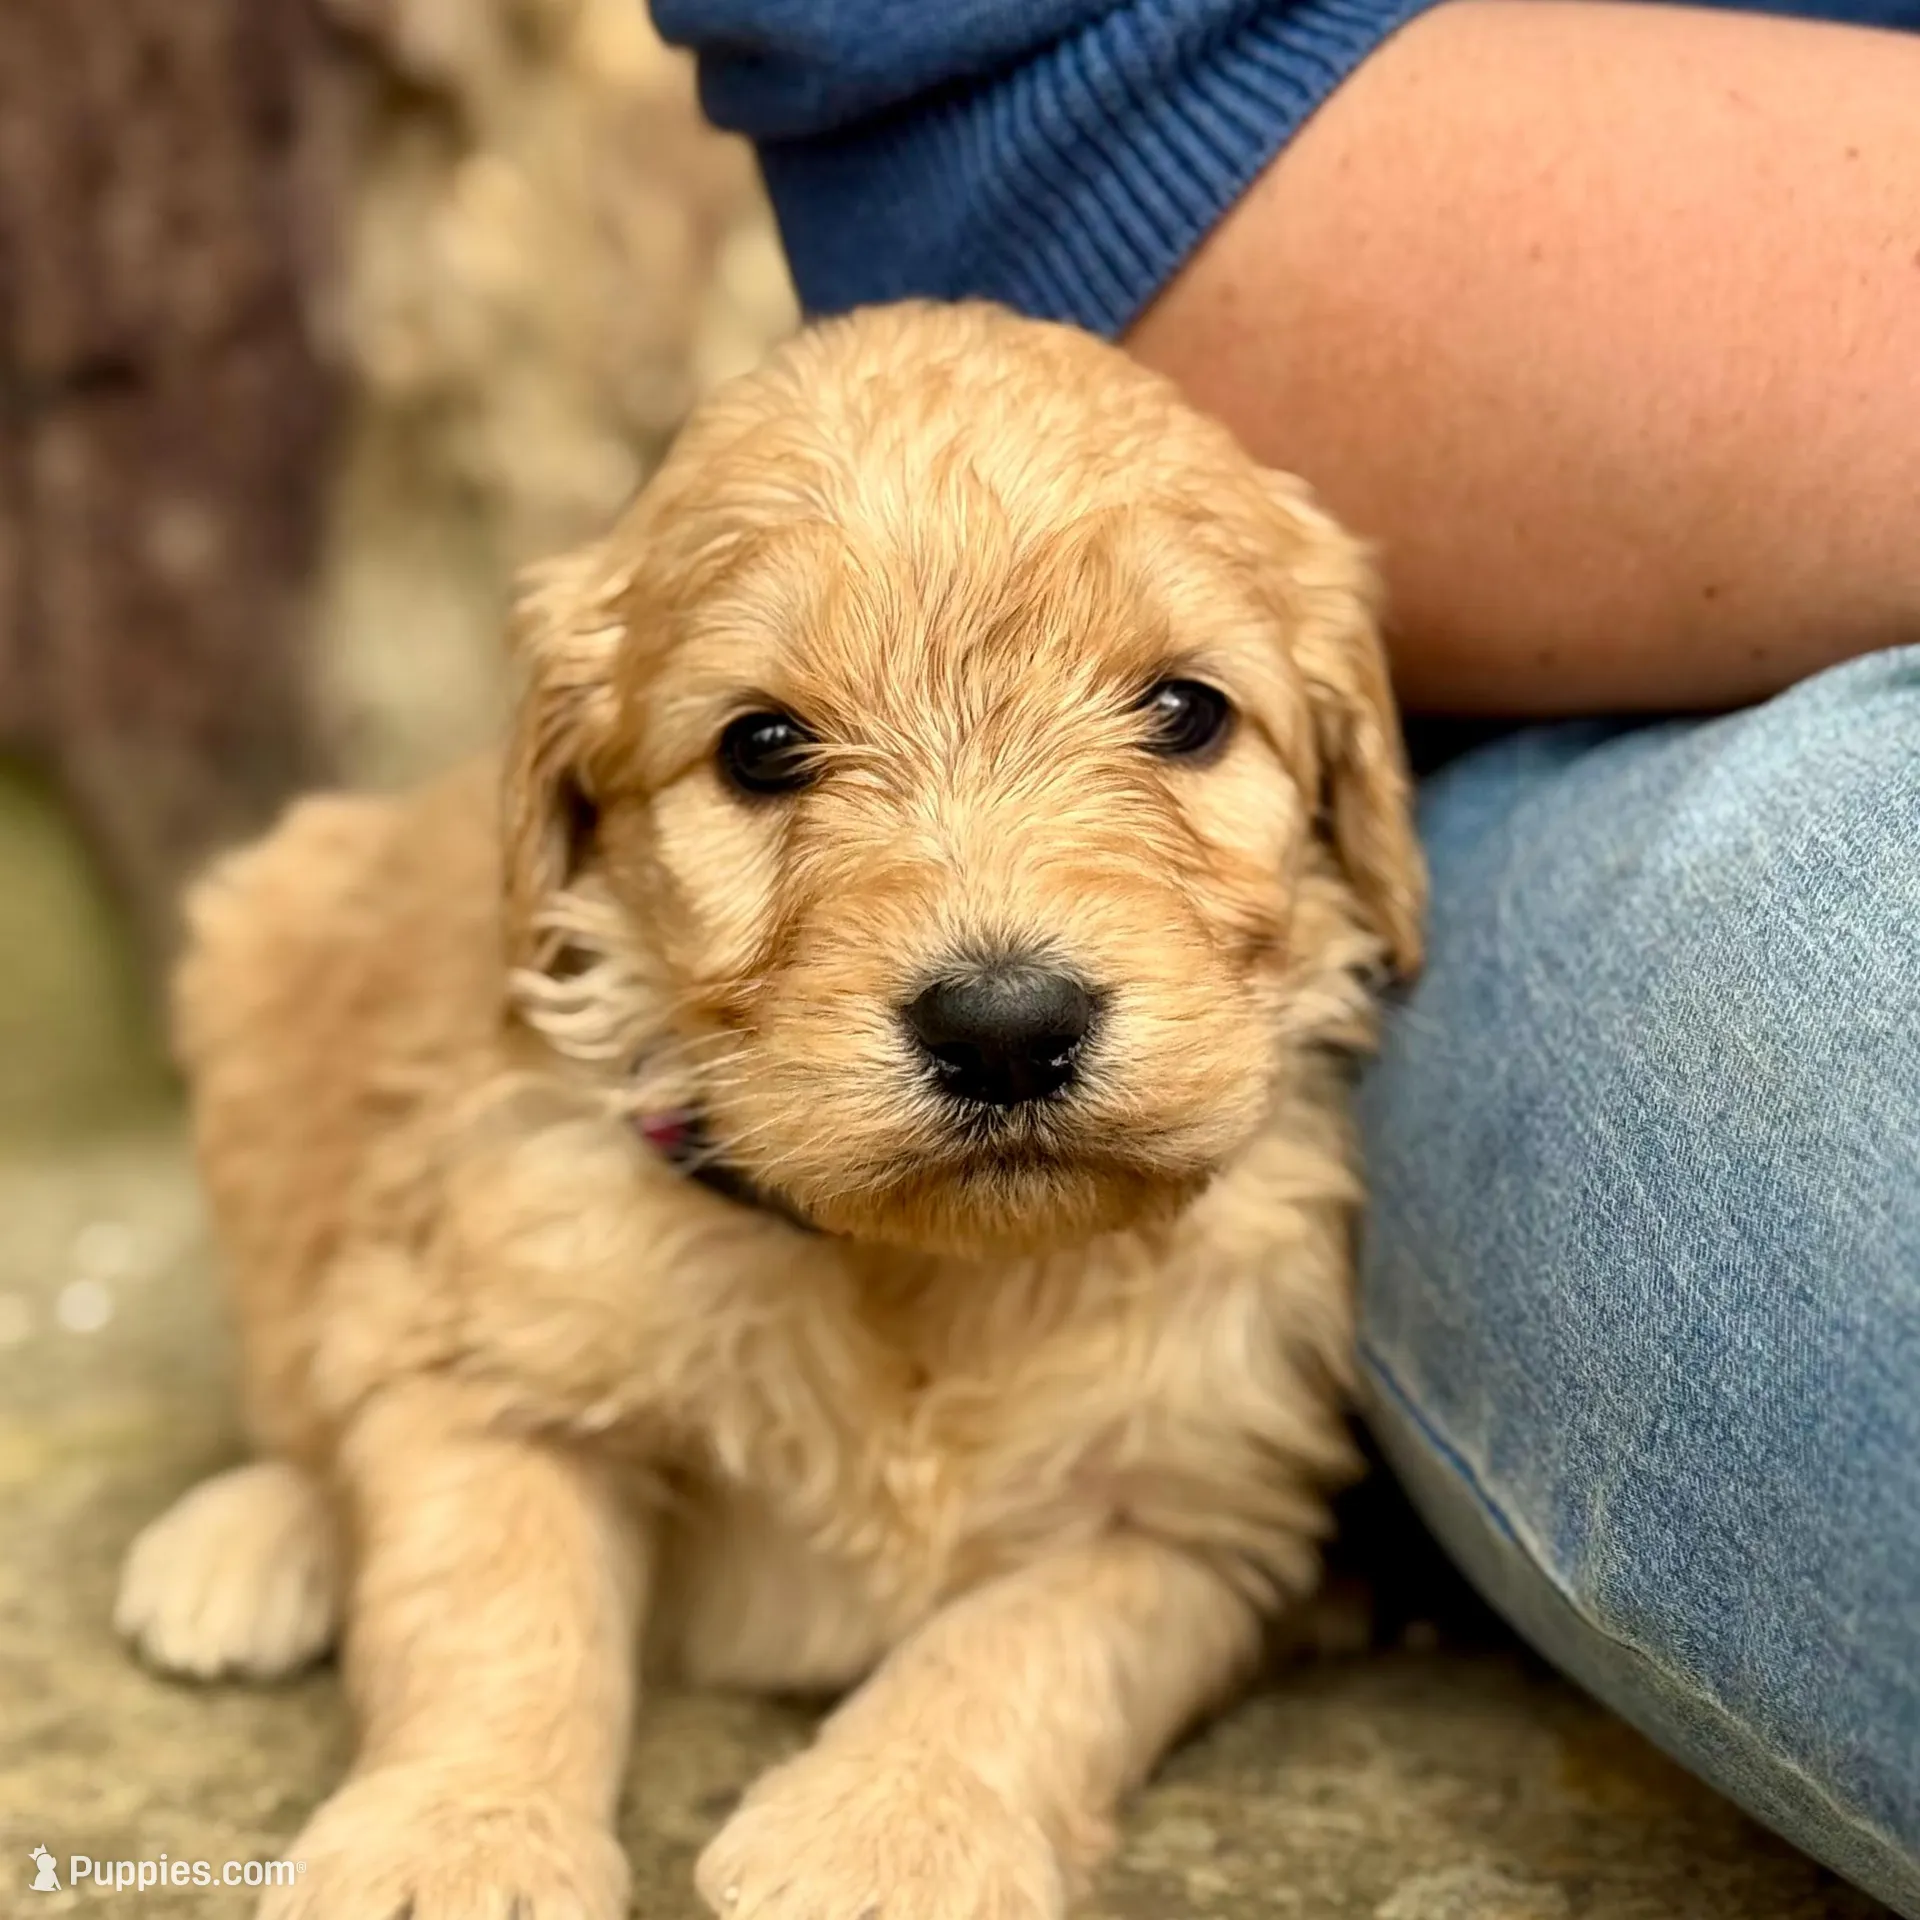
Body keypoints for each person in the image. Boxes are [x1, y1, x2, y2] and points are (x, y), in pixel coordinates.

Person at [648, 1, 1920, 1909]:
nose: (999, 946)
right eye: (773, 753)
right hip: (1677, 661)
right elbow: (1043, 95)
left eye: (1175, 721)